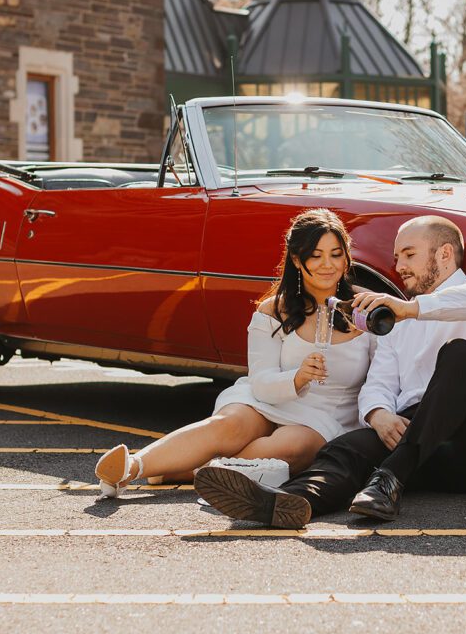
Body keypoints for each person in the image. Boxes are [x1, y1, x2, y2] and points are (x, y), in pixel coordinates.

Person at [195, 215, 466, 528]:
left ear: (445, 253)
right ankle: (286, 502)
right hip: (422, 446)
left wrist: (409, 308)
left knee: (460, 355)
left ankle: (389, 477)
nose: (399, 266)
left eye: (409, 254)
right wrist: (379, 414)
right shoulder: (398, 325)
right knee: (344, 448)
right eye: (398, 257)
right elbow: (378, 383)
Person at [94, 208, 374, 499]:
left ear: (347, 256)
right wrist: (299, 377)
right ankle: (129, 468)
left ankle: (191, 467)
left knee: (291, 448)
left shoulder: (366, 309)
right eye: (316, 255)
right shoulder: (272, 310)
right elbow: (261, 383)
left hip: (325, 415)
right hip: (267, 396)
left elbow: (384, 376)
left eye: (336, 254)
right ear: (296, 259)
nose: (328, 265)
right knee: (229, 426)